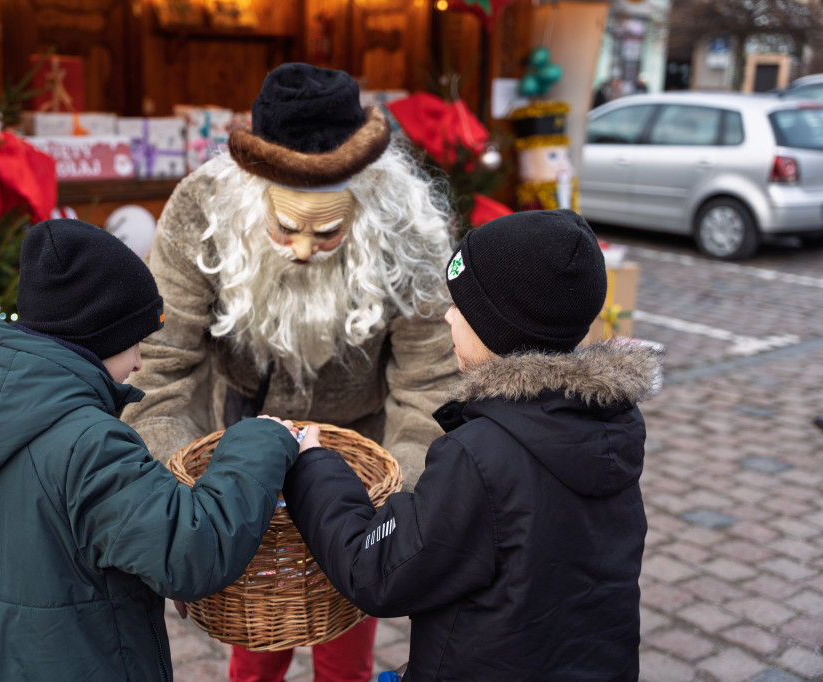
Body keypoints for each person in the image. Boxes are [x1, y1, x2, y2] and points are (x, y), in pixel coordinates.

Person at [121, 62, 459, 682]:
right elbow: (159, 367)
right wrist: (185, 494)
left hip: (359, 454)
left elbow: (429, 384)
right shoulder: (201, 209)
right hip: (240, 440)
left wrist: (392, 501)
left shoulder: (407, 226)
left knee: (346, 637)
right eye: (285, 227)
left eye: (327, 232)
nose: (303, 250)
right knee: (255, 635)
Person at [0, 218, 301, 681]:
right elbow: (191, 551)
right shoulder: (89, 443)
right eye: (134, 342)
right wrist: (262, 437)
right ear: (98, 338)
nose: (138, 362)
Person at [283, 209, 661, 681]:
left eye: (461, 307)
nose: (447, 314)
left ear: (499, 327)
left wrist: (314, 467)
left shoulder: (480, 455)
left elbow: (376, 570)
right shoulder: (612, 422)